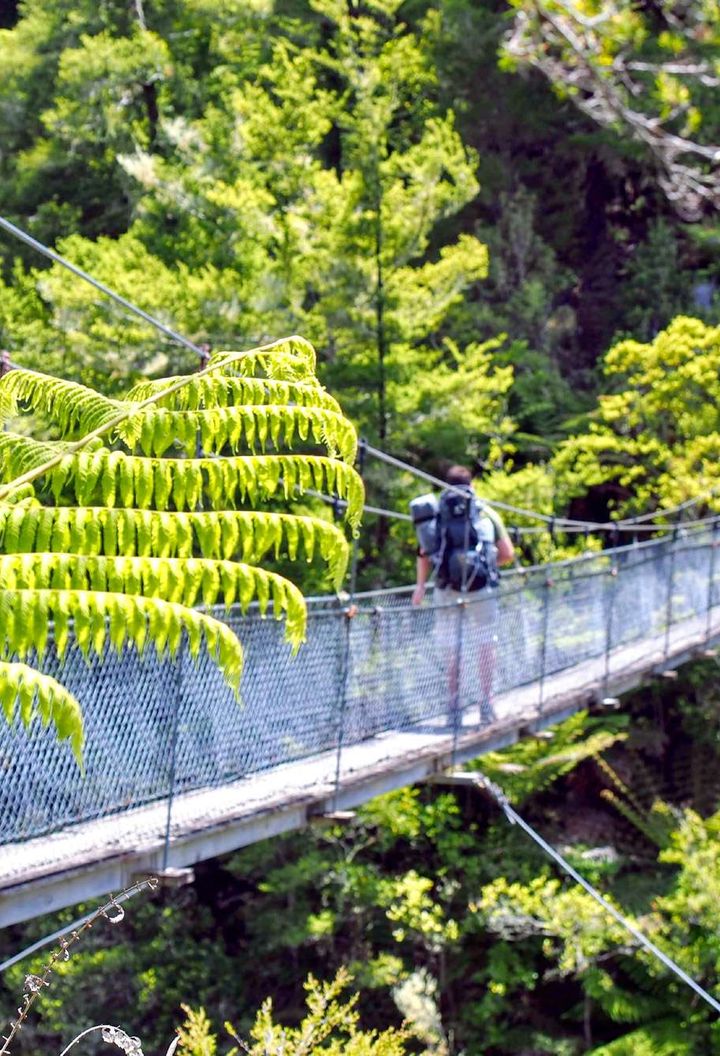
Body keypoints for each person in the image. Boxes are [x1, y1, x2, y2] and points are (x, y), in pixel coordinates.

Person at [411, 465, 515, 721]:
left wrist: (421, 586)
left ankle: (454, 706)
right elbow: (508, 554)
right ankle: (486, 703)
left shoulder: (439, 512)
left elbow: (425, 552)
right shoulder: (485, 512)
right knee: (485, 643)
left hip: (447, 588)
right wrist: (484, 566)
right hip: (482, 589)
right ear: (473, 485)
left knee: (451, 647)